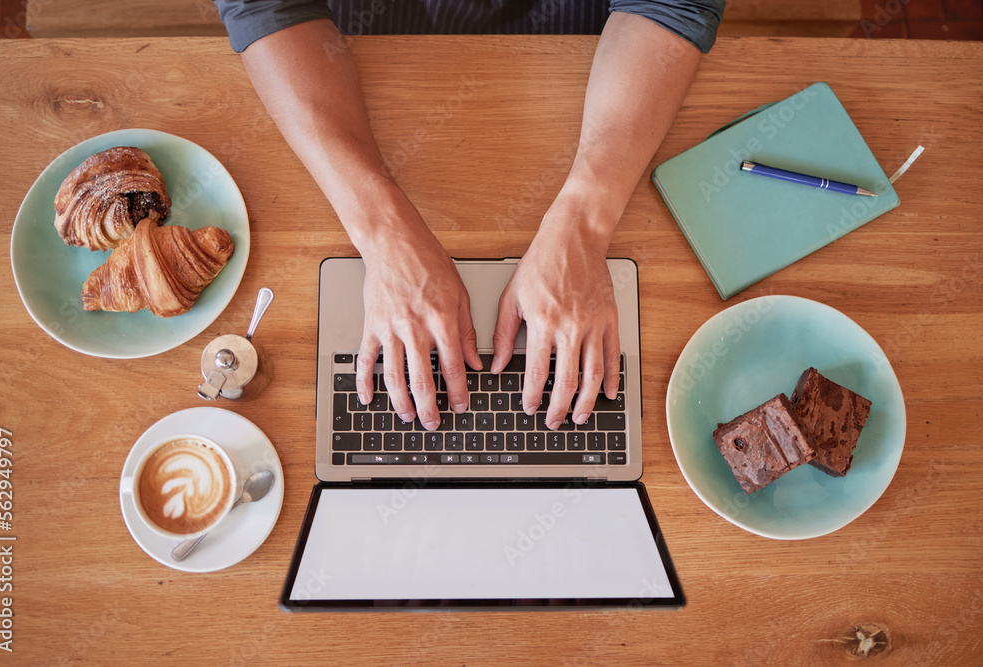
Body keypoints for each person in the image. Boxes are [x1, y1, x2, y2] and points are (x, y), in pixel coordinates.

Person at [214, 0, 724, 431]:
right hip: (358, 32)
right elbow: (267, 7)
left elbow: (671, 5)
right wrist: (383, 232)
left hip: (589, 36)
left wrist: (585, 222)